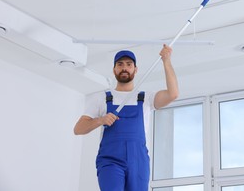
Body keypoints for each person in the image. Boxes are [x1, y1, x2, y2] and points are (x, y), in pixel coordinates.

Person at [73, 44, 178, 191]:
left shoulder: (146, 98)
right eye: (120, 64)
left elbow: (173, 94)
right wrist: (101, 120)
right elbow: (78, 129)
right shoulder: (101, 98)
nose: (124, 68)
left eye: (129, 64)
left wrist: (166, 61)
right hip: (110, 161)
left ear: (135, 69)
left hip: (138, 162)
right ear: (114, 69)